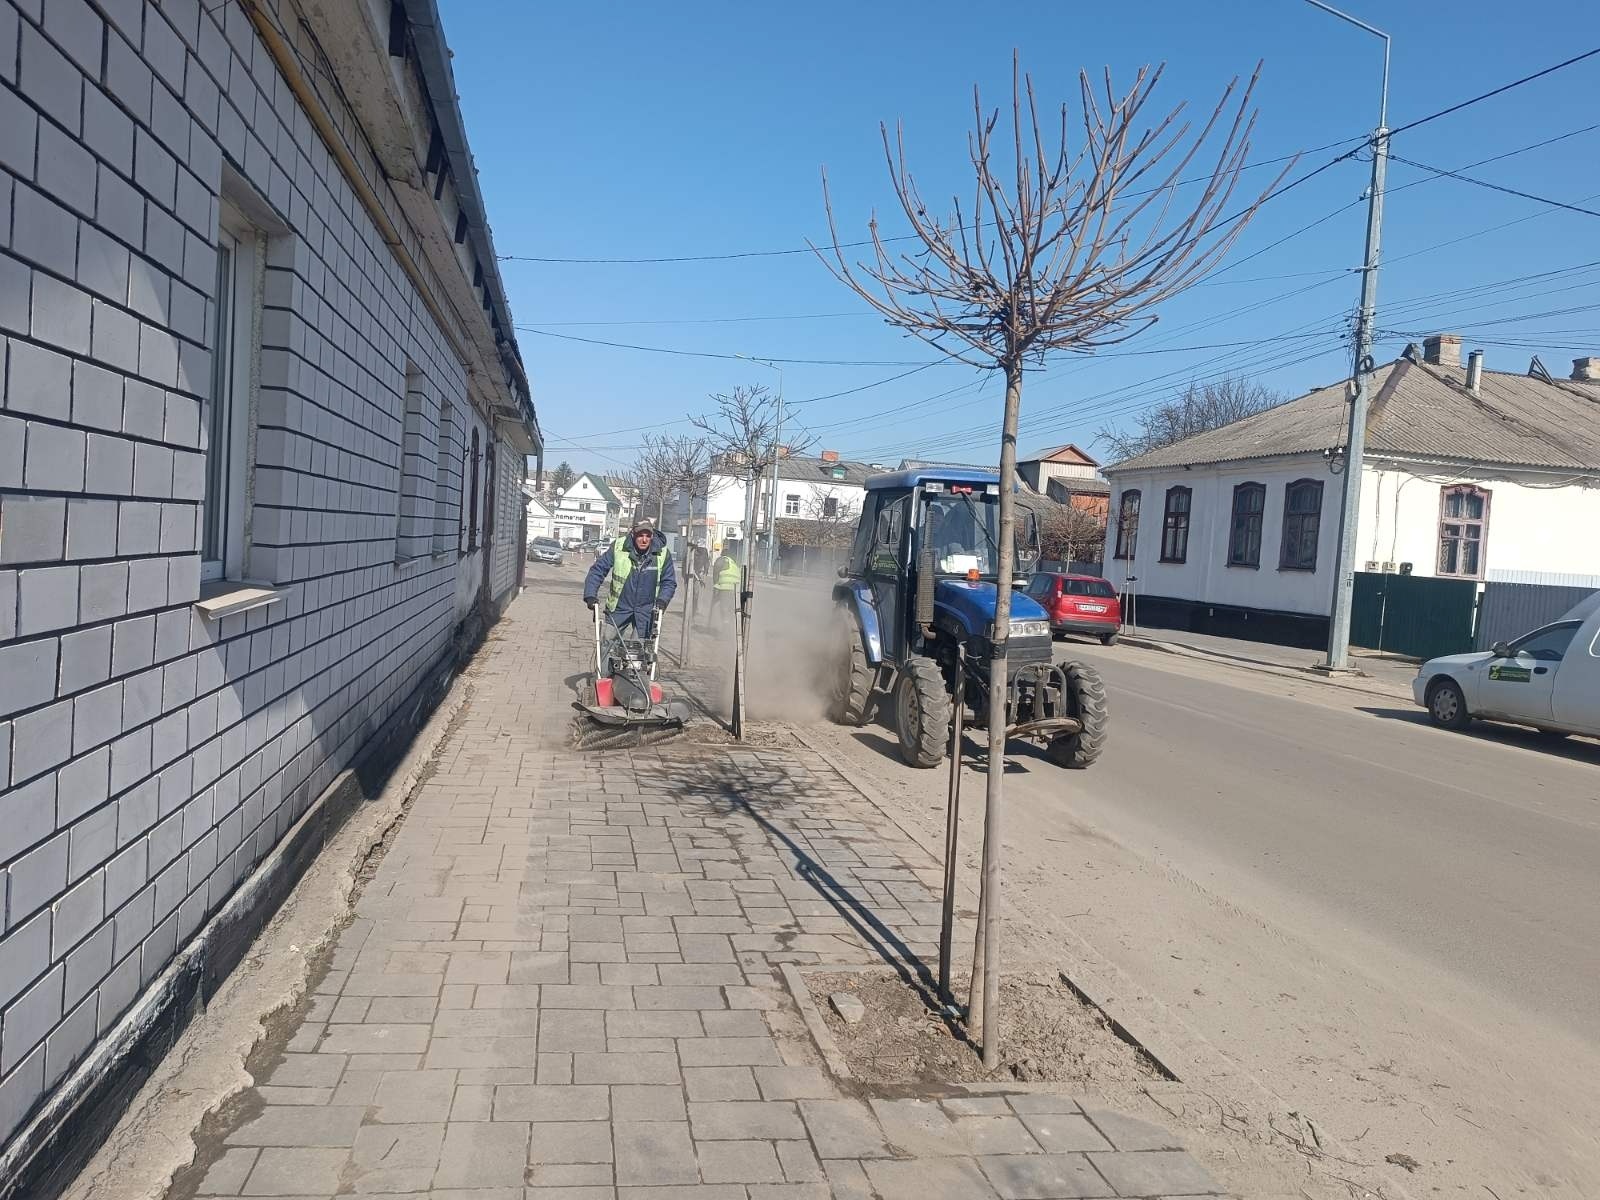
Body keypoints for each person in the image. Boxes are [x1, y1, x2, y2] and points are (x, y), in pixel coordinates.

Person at [585, 517, 677, 641]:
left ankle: (634, 660)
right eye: (640, 535)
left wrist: (662, 601)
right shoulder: (619, 547)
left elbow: (669, 582)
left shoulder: (663, 554)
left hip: (646, 611)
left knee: (637, 651)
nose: (644, 540)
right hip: (620, 607)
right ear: (633, 534)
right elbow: (597, 570)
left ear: (652, 535)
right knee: (607, 641)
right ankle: (608, 660)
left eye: (648, 536)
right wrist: (590, 595)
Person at [710, 543, 740, 628]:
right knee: (731, 609)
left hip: (726, 588)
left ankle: (726, 627)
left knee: (724, 608)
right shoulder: (733, 563)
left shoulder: (721, 560)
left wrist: (715, 585)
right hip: (736, 590)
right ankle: (731, 625)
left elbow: (716, 573)